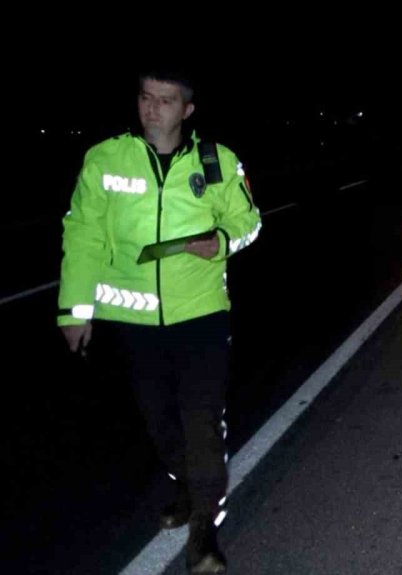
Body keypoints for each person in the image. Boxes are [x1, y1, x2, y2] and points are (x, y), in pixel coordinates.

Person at [57, 69, 261, 574]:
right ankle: (190, 489)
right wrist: (74, 309)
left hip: (201, 318)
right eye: (146, 97)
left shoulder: (216, 162)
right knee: (158, 423)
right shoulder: (106, 159)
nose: (153, 109)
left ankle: (204, 532)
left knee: (201, 424)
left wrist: (220, 240)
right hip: (135, 323)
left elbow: (249, 221)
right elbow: (83, 236)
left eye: (166, 100)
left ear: (187, 110)